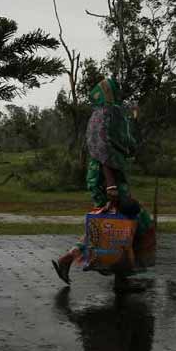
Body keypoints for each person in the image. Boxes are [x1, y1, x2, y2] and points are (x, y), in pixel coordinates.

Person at [52, 78, 155, 286]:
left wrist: (133, 119)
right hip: (108, 178)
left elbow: (118, 145)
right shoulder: (109, 114)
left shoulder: (98, 115)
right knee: (129, 222)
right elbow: (104, 150)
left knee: (113, 223)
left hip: (103, 177)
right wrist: (111, 186)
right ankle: (118, 276)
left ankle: (75, 260)